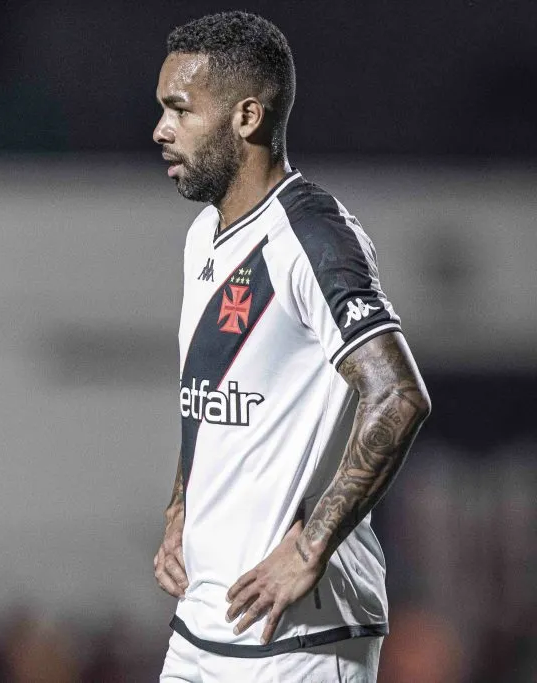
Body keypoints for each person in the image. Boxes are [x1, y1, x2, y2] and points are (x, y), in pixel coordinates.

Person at [151, 11, 430, 682]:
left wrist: (309, 546)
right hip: (202, 627)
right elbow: (210, 392)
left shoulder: (314, 237)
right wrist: (181, 505)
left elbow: (398, 395)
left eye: (179, 110)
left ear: (246, 116)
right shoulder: (203, 237)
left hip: (300, 637)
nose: (161, 129)